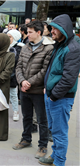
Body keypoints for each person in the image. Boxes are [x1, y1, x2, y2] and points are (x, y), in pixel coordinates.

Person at [39, 14, 80, 166]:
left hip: (60, 98)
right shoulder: (60, 44)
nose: (52, 31)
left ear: (64, 29)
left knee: (60, 132)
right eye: (51, 28)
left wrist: (54, 95)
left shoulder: (73, 48)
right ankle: (55, 155)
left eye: (55, 29)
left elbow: (69, 79)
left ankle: (59, 162)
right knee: (54, 129)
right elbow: (53, 71)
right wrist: (47, 89)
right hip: (52, 95)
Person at [13, 20, 54, 159]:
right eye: (27, 31)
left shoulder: (48, 48)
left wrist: (28, 82)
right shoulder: (25, 47)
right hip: (24, 90)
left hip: (37, 90)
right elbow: (18, 66)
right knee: (27, 117)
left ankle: (42, 146)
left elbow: (45, 71)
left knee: (42, 120)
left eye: (30, 32)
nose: (27, 34)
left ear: (38, 32)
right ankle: (26, 139)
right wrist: (22, 81)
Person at [7, 30, 22, 121]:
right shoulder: (4, 46)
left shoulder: (18, 48)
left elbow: (17, 61)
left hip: (13, 74)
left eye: (10, 37)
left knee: (13, 94)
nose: (8, 39)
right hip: (4, 74)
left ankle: (15, 111)